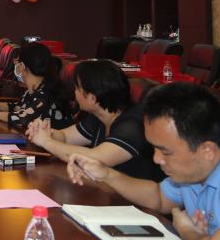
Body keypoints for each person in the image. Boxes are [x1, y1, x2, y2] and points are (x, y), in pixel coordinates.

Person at [69, 83, 220, 240]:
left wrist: (187, 231)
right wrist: (107, 174)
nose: (156, 159)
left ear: (208, 151)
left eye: (165, 152)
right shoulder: (198, 167)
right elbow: (159, 197)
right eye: (154, 148)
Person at [26, 59, 162, 180]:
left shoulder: (132, 126)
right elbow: (65, 137)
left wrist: (46, 141)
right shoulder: (99, 116)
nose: (74, 92)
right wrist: (42, 132)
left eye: (77, 88)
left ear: (92, 98)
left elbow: (94, 158)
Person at [0, 42, 73, 130]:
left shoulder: (44, 95)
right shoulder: (34, 90)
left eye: (17, 62)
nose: (15, 66)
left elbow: (23, 118)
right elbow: (18, 107)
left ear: (23, 66)